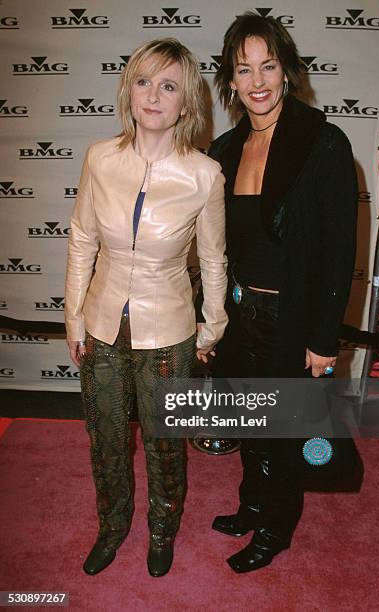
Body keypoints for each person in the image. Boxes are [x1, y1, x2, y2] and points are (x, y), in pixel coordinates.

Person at [64, 38, 227, 578]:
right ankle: (112, 527)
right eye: (143, 81)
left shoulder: (204, 175)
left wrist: (213, 326)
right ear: (128, 89)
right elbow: (82, 240)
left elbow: (213, 258)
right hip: (103, 324)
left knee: (164, 444)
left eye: (168, 85)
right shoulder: (99, 158)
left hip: (170, 331)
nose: (153, 95)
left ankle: (163, 528)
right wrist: (73, 319)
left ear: (187, 103)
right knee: (105, 440)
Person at [208, 12, 358, 573]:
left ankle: (275, 528)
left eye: (267, 65)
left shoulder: (322, 141)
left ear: (286, 71)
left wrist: (324, 339)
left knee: (280, 432)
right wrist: (213, 322)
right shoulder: (225, 150)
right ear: (230, 80)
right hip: (242, 315)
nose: (258, 81)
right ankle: (252, 505)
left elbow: (338, 251)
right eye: (243, 69)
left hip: (292, 320)